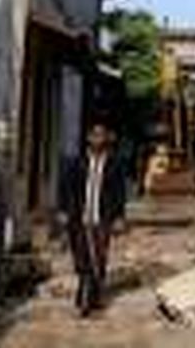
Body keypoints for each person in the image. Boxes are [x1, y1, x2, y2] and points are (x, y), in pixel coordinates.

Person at [59, 119, 127, 316]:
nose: (98, 138)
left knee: (99, 256)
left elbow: (119, 193)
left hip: (102, 218)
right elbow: (66, 189)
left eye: (101, 135)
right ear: (88, 138)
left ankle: (94, 296)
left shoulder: (114, 165)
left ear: (106, 138)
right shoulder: (77, 163)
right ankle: (84, 293)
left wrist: (119, 217)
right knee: (81, 256)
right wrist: (63, 211)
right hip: (78, 217)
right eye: (94, 135)